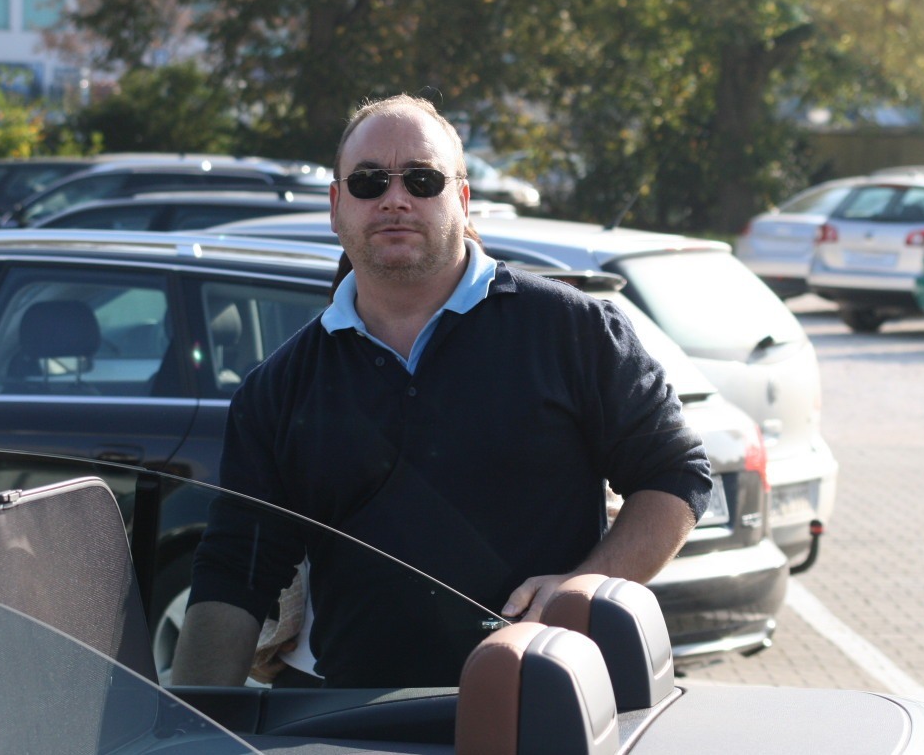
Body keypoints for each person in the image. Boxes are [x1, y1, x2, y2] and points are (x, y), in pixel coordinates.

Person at [171, 93, 712, 688]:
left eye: (422, 180)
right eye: (368, 181)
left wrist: (584, 586)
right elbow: (236, 568)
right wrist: (189, 723)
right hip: (346, 716)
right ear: (335, 206)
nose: (394, 199)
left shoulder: (572, 330)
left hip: (542, 701)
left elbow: (675, 474)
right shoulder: (278, 388)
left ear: (462, 197)